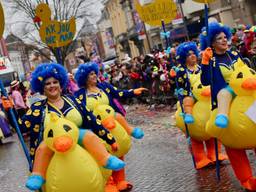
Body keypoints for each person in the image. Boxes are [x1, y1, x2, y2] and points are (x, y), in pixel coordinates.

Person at [16, 63, 125, 191]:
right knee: (42, 148)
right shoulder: (37, 108)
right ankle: (37, 175)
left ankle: (106, 159)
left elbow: (93, 120)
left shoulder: (73, 100)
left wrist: (110, 139)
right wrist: (11, 108)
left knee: (89, 136)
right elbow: (21, 127)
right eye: (47, 83)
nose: (52, 86)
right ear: (42, 88)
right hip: (53, 147)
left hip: (79, 141)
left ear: (60, 83)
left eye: (55, 82)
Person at [74, 62, 147, 191]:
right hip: (96, 129)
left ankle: (120, 180)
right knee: (102, 154)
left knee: (117, 151)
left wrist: (133, 91)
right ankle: (109, 183)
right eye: (91, 74)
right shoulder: (79, 95)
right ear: (84, 78)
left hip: (112, 126)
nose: (95, 75)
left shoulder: (104, 87)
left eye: (94, 73)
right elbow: (77, 113)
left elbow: (119, 93)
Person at [172, 42, 227, 169]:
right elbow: (181, 87)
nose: (191, 56)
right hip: (191, 96)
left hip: (205, 97)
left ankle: (215, 154)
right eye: (188, 55)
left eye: (193, 54)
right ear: (183, 57)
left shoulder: (200, 67)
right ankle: (200, 157)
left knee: (212, 129)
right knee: (195, 134)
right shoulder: (181, 70)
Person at [200, 22, 239, 128]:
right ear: (212, 43)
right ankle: (222, 116)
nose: (224, 40)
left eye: (225, 37)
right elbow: (205, 81)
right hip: (225, 98)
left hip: (242, 93)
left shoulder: (234, 55)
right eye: (219, 38)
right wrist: (205, 62)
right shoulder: (211, 59)